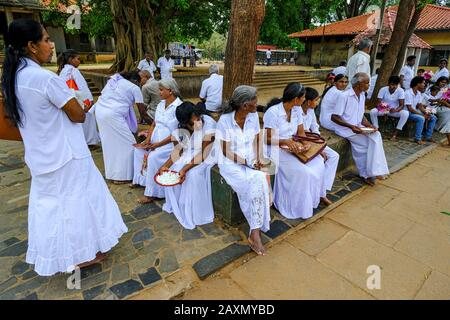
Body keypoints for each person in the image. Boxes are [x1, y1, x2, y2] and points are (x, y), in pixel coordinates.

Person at [0, 19, 127, 276]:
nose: (51, 45)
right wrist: (83, 106)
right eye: (46, 40)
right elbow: (78, 115)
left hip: (41, 155)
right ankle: (83, 253)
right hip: (67, 154)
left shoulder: (13, 77)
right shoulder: (45, 78)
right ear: (31, 46)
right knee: (78, 203)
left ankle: (64, 253)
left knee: (51, 207)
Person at [216, 85, 271, 255]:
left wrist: (259, 159)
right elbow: (225, 151)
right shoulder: (225, 121)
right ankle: (256, 232)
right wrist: (246, 162)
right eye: (255, 101)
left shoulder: (253, 116)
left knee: (259, 179)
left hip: (250, 159)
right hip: (231, 163)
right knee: (252, 183)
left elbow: (257, 140)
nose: (257, 103)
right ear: (244, 105)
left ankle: (254, 232)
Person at [263, 83, 324, 222]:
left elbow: (301, 132)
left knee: (319, 163)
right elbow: (267, 139)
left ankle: (310, 202)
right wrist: (285, 142)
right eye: (303, 97)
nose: (304, 100)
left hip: (293, 147)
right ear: (296, 98)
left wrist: (305, 144)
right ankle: (291, 206)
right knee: (304, 173)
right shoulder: (273, 112)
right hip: (275, 149)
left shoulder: (297, 110)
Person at [160, 102, 217, 229]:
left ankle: (195, 210)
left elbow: (203, 154)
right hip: (192, 151)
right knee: (174, 170)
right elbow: (179, 150)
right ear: (184, 124)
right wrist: (165, 166)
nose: (197, 123)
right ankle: (182, 203)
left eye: (198, 119)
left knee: (192, 174)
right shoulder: (182, 128)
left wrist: (185, 169)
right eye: (191, 124)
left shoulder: (210, 125)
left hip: (208, 154)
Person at [332, 73, 389, 186]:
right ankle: (367, 174)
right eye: (367, 82)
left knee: (376, 135)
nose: (369, 85)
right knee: (365, 144)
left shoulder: (362, 95)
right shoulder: (344, 96)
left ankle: (376, 170)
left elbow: (361, 115)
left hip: (358, 127)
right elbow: (334, 117)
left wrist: (369, 125)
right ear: (359, 84)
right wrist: (351, 127)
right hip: (345, 129)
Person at [136, 79, 183, 202]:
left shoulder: (178, 107)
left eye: (161, 90)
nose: (159, 92)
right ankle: (140, 181)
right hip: (155, 141)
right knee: (138, 151)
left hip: (169, 144)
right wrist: (147, 140)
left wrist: (157, 144)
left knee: (153, 157)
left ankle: (151, 193)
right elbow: (154, 124)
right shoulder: (161, 104)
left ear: (170, 91)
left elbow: (175, 135)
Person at [94, 71, 145, 184]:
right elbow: (143, 112)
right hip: (113, 115)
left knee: (110, 144)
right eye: (139, 83)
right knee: (130, 143)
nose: (139, 85)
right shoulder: (134, 87)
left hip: (100, 111)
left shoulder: (114, 81)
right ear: (135, 81)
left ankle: (113, 174)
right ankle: (122, 176)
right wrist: (154, 124)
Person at [301, 87, 340, 204]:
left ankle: (322, 191)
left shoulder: (311, 111)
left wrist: (320, 145)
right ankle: (320, 192)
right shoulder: (297, 112)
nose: (317, 103)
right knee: (320, 159)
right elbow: (301, 134)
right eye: (316, 100)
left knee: (334, 156)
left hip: (314, 141)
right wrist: (318, 150)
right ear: (308, 101)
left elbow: (315, 127)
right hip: (303, 142)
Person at [57, 49, 100, 148]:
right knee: (88, 120)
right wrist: (89, 100)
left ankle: (83, 141)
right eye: (78, 59)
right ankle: (91, 142)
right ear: (71, 59)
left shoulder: (62, 71)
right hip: (81, 100)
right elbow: (83, 86)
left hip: (72, 100)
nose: (79, 61)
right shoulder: (73, 70)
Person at [369, 75, 409, 141]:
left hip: (393, 111)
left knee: (405, 113)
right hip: (383, 110)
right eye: (392, 84)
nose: (394, 87)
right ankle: (376, 130)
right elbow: (378, 103)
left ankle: (395, 134)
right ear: (388, 83)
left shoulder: (400, 90)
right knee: (373, 111)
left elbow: (402, 105)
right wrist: (384, 109)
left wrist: (396, 110)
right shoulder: (383, 89)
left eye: (396, 85)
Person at [404, 76, 437, 145]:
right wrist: (422, 115)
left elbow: (420, 105)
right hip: (407, 113)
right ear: (418, 84)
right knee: (421, 118)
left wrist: (426, 113)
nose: (424, 85)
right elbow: (409, 108)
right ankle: (417, 138)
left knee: (433, 117)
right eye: (423, 83)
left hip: (414, 112)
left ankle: (428, 136)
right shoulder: (408, 93)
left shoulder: (418, 93)